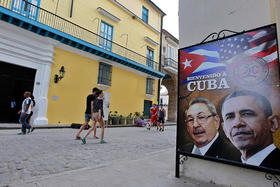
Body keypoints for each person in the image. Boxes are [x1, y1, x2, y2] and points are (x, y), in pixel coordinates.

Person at [221, 90, 280, 169]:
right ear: (225, 130)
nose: (237, 123)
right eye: (230, 117)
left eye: (247, 114)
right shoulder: (229, 167)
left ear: (273, 123)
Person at [181, 96, 240, 161]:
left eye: (201, 117)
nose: (195, 125)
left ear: (216, 121)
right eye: (190, 120)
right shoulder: (184, 149)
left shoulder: (234, 155)